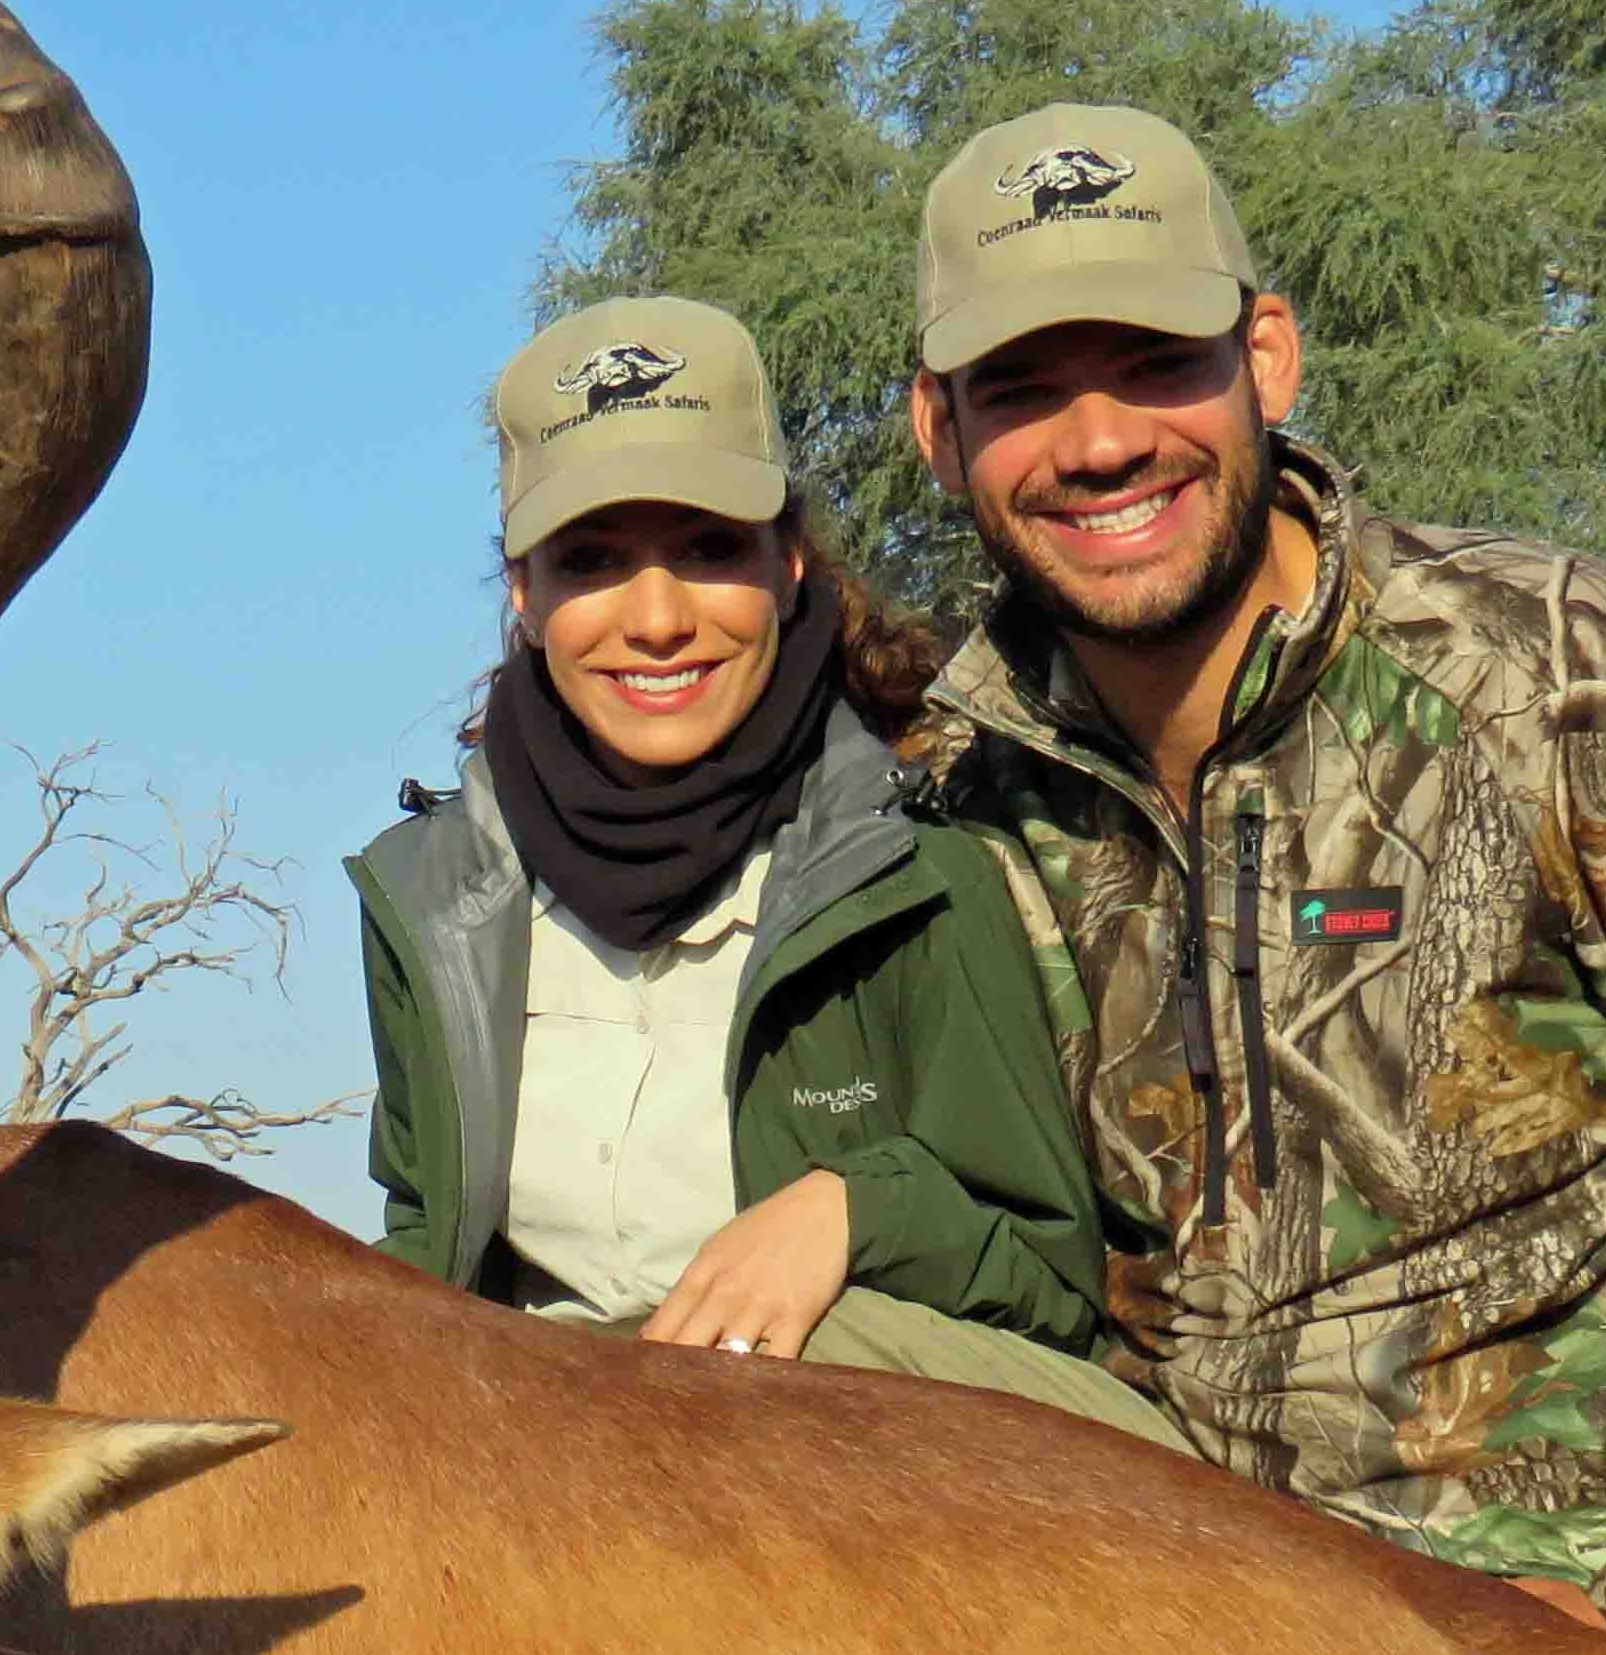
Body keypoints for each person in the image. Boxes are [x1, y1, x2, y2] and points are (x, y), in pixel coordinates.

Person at [894, 104, 1606, 1655]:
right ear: (939, 432)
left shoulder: (1550, 663)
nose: (1098, 443)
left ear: (1266, 360)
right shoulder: (960, 784)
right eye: (1020, 391)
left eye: (1154, 364)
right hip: (1173, 1649)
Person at [352, 293, 1179, 1443]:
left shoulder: (920, 870)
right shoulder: (428, 895)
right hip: (554, 1478)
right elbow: (424, 1235)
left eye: (706, 551)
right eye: (592, 560)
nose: (656, 619)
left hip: (878, 1473)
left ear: (788, 563)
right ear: (523, 595)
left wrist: (853, 1211)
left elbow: (1050, 1277)